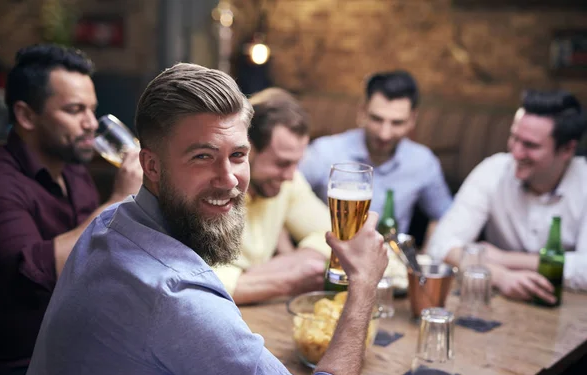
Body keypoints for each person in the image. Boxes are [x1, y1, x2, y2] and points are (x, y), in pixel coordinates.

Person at [18, 63, 389, 375]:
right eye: (202, 156)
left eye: (238, 155)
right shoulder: (178, 295)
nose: (229, 180)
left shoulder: (110, 220)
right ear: (152, 166)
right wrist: (363, 285)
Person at [0, 44, 142, 375]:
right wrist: (118, 202)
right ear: (26, 116)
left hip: (83, 350)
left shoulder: (74, 172)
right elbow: (35, 273)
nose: (91, 123)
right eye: (75, 110)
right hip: (21, 372)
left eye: (92, 109)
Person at [428, 90, 587, 302]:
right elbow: (440, 244)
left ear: (567, 149)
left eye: (530, 145)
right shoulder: (493, 170)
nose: (516, 152)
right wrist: (500, 276)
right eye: (514, 138)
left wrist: (506, 258)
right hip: (500, 307)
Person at [299, 70, 452, 242]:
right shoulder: (325, 152)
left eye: (397, 123)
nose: (384, 134)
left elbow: (446, 217)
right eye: (377, 119)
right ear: (362, 112)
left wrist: (424, 259)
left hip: (391, 263)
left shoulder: (423, 161)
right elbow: (282, 196)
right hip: (329, 258)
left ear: (412, 119)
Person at [214, 87, 333, 304]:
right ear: (245, 149)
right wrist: (287, 279)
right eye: (282, 163)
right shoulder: (210, 190)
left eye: (297, 162)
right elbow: (201, 285)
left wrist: (287, 264)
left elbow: (334, 235)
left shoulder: (288, 180)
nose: (290, 175)